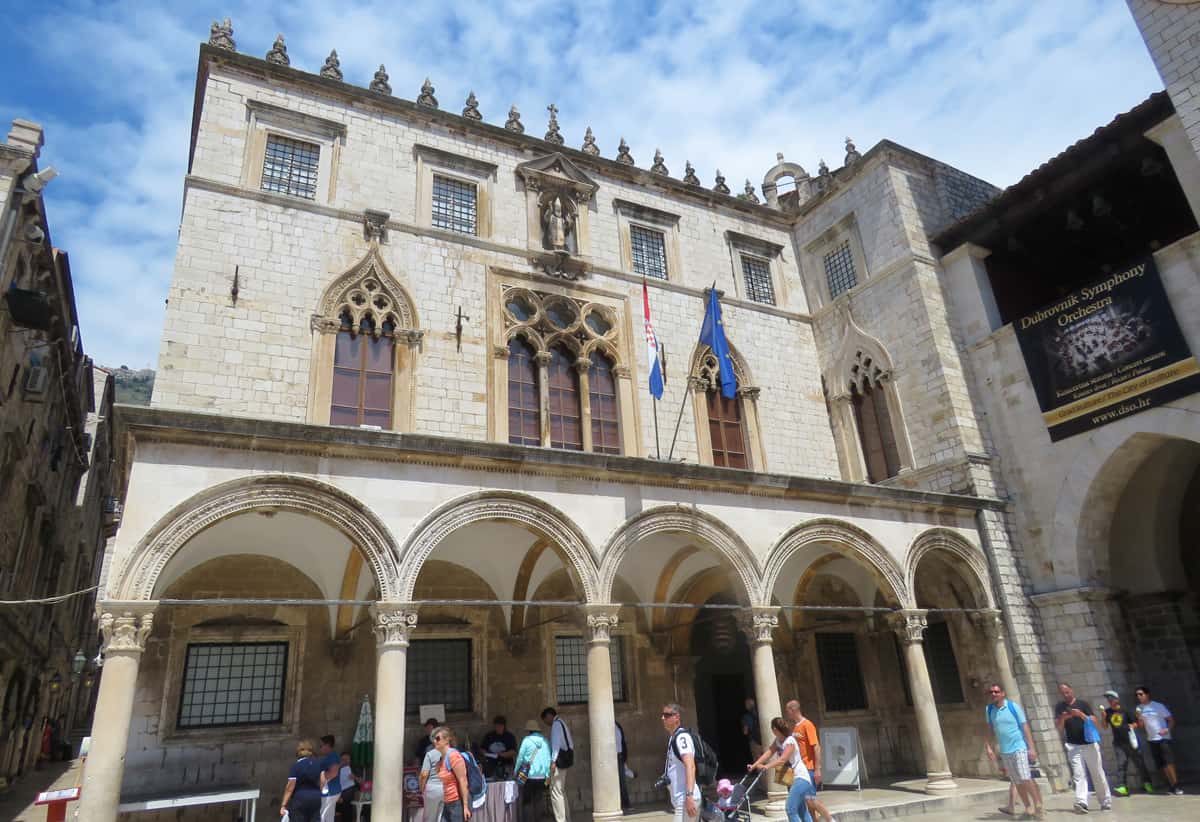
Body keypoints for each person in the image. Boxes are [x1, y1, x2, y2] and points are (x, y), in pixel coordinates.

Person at [984, 683, 1043, 819]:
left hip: (1019, 747)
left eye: (996, 692)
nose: (993, 694)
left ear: (1003, 693)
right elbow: (989, 728)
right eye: (991, 692)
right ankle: (1028, 806)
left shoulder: (1012, 707)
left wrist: (1031, 748)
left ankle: (1038, 803)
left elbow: (1025, 727)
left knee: (1025, 776)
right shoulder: (989, 710)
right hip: (1005, 750)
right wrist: (988, 747)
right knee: (1017, 780)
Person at [1054, 682, 1112, 813]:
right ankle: (1081, 801)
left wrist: (1081, 714)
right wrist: (1064, 717)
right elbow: (1059, 727)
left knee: (1097, 772)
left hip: (1089, 744)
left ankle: (1105, 800)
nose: (1065, 695)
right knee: (1078, 774)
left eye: (1067, 692)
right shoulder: (1060, 707)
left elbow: (1094, 720)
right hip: (1073, 745)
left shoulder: (1083, 704)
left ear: (1071, 690)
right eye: (1063, 693)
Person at [749, 717, 815, 822]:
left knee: (790, 809)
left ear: (775, 729)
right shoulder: (778, 741)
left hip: (801, 778)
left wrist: (766, 767)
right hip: (792, 780)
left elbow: (783, 759)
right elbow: (769, 752)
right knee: (802, 811)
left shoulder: (790, 741)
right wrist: (755, 765)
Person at [785, 700, 835, 822]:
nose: (787, 714)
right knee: (807, 802)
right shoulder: (796, 727)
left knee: (810, 800)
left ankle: (830, 820)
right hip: (800, 768)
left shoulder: (807, 725)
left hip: (809, 768)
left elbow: (816, 747)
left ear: (793, 710)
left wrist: (817, 768)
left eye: (788, 711)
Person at [1100, 690, 1152, 796]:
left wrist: (1133, 726)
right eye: (1108, 699)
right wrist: (1103, 717)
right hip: (1118, 742)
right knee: (1121, 764)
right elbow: (1105, 727)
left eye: (1111, 699)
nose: (1109, 701)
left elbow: (1136, 723)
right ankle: (1122, 786)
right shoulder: (1108, 712)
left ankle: (1147, 783)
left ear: (1117, 700)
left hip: (1130, 741)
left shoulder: (1125, 711)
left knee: (1139, 763)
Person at [1134, 686, 1182, 795]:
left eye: (1141, 694)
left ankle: (1176, 785)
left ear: (1147, 694)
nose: (1139, 696)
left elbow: (1171, 720)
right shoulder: (1139, 708)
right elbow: (1141, 726)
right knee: (1162, 764)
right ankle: (1171, 784)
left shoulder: (1158, 706)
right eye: (1137, 695)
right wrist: (1139, 718)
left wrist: (1167, 729)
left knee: (1169, 761)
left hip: (1163, 738)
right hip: (1152, 739)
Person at [660, 703, 700, 821]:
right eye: (663, 715)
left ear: (676, 717)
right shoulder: (673, 737)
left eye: (666, 715)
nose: (663, 718)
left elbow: (690, 766)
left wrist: (689, 796)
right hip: (681, 799)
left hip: (686, 798)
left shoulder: (682, 737)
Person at [515, 719, 552, 822]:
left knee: (527, 802)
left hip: (528, 777)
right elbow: (549, 758)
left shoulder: (526, 740)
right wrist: (548, 775)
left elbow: (520, 758)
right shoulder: (545, 741)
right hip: (542, 777)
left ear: (529, 730)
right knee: (538, 801)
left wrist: (516, 771)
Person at [433, 725, 472, 822]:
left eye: (437, 739)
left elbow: (463, 781)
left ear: (446, 740)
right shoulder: (441, 758)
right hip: (447, 803)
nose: (434, 741)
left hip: (457, 803)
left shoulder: (453, 756)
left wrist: (465, 807)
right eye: (434, 739)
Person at [541, 707, 573, 822]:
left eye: (545, 720)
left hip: (559, 761)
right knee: (561, 791)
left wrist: (553, 762)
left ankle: (561, 819)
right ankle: (566, 818)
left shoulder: (556, 725)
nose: (546, 723)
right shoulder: (562, 723)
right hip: (565, 759)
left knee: (555, 791)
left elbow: (556, 745)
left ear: (549, 716)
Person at [281, 739, 324, 822]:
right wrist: (320, 792)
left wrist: (284, 804)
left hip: (300, 799)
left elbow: (290, 787)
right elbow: (323, 781)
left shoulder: (296, 766)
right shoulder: (318, 764)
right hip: (316, 798)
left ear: (298, 752)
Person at [480, 715, 518, 780]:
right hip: (491, 766)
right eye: (496, 726)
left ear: (504, 726)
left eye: (500, 726)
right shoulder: (489, 736)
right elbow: (482, 749)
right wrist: (485, 753)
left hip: (506, 765)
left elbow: (514, 751)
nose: (498, 728)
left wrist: (503, 754)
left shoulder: (509, 737)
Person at [419, 730, 446, 822]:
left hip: (433, 788)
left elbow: (424, 774)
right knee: (442, 816)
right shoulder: (453, 752)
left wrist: (421, 787)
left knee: (430, 817)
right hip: (447, 788)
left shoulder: (430, 754)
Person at [318, 735, 341, 822]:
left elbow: (334, 772)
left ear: (327, 745)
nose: (320, 748)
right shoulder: (330, 756)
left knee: (322, 816)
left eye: (321, 746)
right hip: (331, 791)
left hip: (329, 791)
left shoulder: (332, 756)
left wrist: (322, 777)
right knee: (328, 817)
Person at [335, 752, 360, 822]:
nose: (345, 761)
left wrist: (355, 777)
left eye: (347, 759)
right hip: (339, 793)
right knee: (345, 805)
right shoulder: (337, 770)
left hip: (350, 792)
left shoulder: (354, 769)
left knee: (345, 801)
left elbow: (362, 782)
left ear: (350, 760)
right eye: (343, 759)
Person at [615, 717, 631, 812]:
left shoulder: (617, 725)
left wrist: (624, 755)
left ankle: (625, 803)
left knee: (622, 781)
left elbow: (622, 742)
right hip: (612, 756)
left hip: (619, 755)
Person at [740, 697, 762, 762]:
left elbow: (745, 732)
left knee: (758, 761)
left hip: (754, 742)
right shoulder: (760, 713)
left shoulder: (746, 717)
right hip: (763, 740)